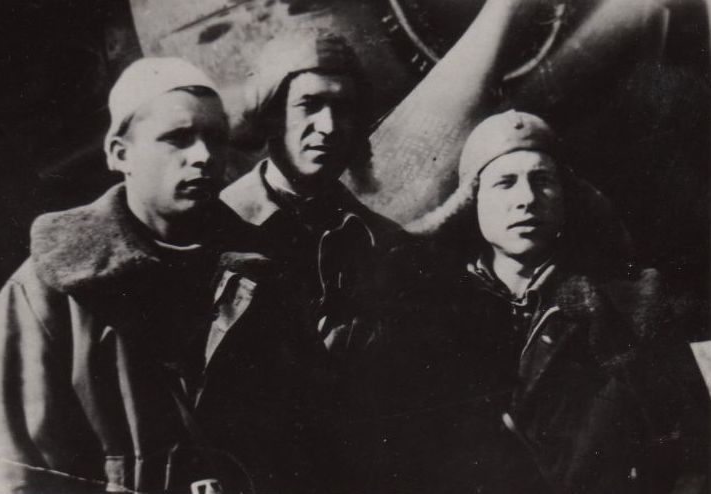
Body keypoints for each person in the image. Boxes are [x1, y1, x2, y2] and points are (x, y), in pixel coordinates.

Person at [0, 57, 261, 494]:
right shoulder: (47, 291)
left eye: (215, 138)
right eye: (177, 138)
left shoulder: (261, 271)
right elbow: (9, 471)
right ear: (120, 154)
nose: (203, 156)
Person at [377, 110, 709, 494]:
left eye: (542, 181)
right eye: (505, 183)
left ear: (567, 196)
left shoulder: (631, 306)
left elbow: (695, 457)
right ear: (472, 200)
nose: (526, 199)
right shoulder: (429, 315)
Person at [219, 32, 410, 493]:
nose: (328, 126)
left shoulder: (388, 246)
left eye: (343, 109)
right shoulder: (213, 234)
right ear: (271, 115)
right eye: (309, 105)